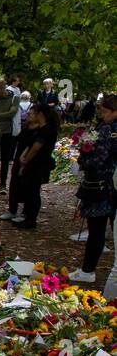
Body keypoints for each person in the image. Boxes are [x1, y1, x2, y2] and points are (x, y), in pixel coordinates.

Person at [69, 94, 117, 283]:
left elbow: (98, 159)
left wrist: (83, 158)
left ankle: (88, 270)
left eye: (105, 112)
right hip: (112, 185)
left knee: (96, 230)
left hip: (101, 187)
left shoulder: (107, 130)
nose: (102, 115)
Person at [0, 102, 59, 231]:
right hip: (32, 163)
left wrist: (25, 160)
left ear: (40, 115)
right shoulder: (38, 128)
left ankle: (31, 219)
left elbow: (36, 147)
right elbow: (29, 145)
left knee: (33, 192)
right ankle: (28, 217)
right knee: (30, 191)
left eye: (33, 113)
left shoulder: (47, 129)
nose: (29, 115)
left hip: (38, 164)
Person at [0, 79, 18, 194]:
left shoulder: (14, 98)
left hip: (8, 133)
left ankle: (3, 185)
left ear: (2, 89)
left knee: (5, 160)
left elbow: (12, 113)